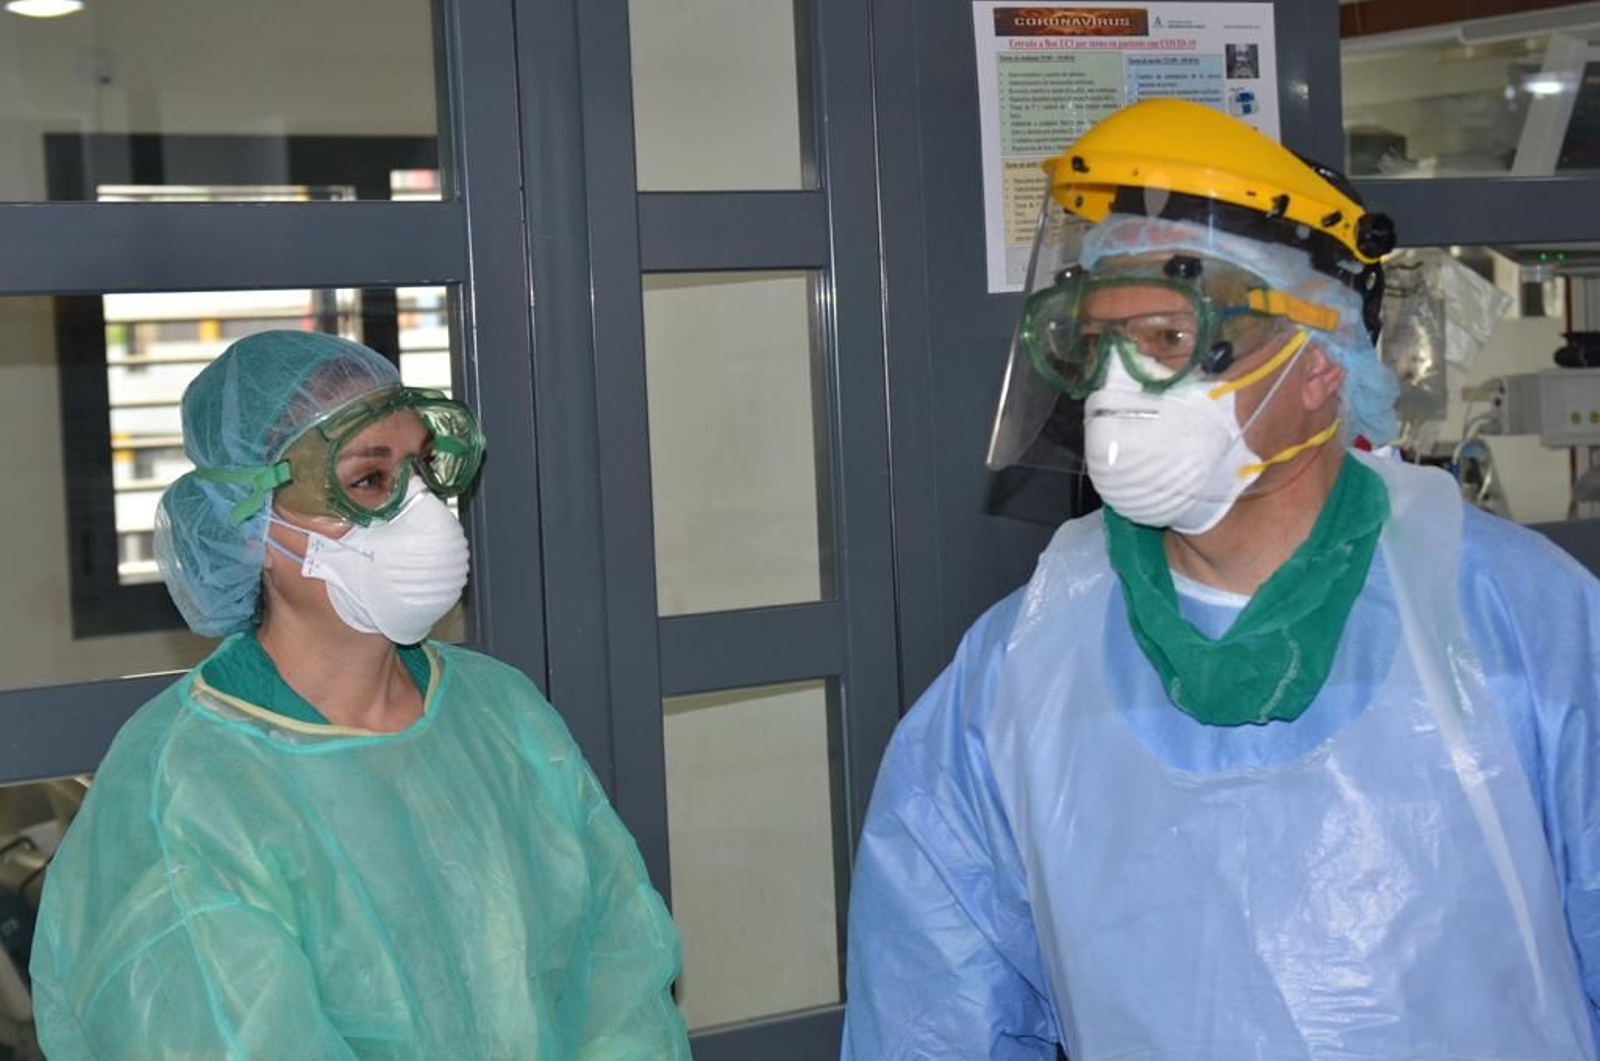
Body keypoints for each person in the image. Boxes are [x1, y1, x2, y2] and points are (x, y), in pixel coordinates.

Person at [842, 98, 1600, 1058]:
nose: (1119, 385)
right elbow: (930, 1014)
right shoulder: (1018, 669)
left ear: (1320, 363)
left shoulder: (1513, 622)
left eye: (1173, 339)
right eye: (1099, 342)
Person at [30, 330, 689, 1058]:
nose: (420, 510)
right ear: (249, 523)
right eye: (369, 481)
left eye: (421, 469)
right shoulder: (185, 786)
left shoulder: (500, 712)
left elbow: (620, 972)